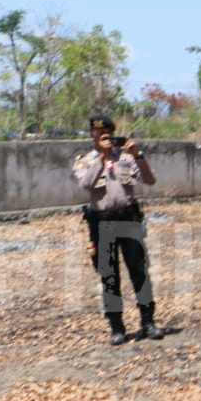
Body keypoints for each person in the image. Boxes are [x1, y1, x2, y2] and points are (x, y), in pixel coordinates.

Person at [73, 114, 163, 345]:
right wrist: (102, 157)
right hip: (101, 222)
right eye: (98, 133)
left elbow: (150, 180)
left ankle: (148, 322)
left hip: (129, 218)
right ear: (92, 134)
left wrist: (138, 156)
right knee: (109, 276)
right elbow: (85, 184)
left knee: (139, 272)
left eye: (107, 133)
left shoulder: (126, 158)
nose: (103, 136)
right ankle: (117, 327)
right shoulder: (85, 161)